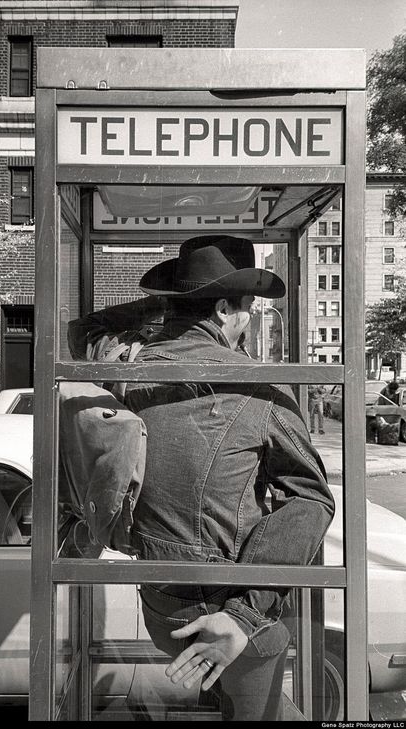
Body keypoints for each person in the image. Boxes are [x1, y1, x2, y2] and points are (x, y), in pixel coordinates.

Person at [68, 235, 334, 722]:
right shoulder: (256, 388)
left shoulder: (124, 367)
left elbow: (84, 328)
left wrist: (173, 302)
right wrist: (245, 615)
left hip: (160, 605)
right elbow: (312, 500)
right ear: (225, 310)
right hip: (222, 617)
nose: (250, 316)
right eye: (247, 305)